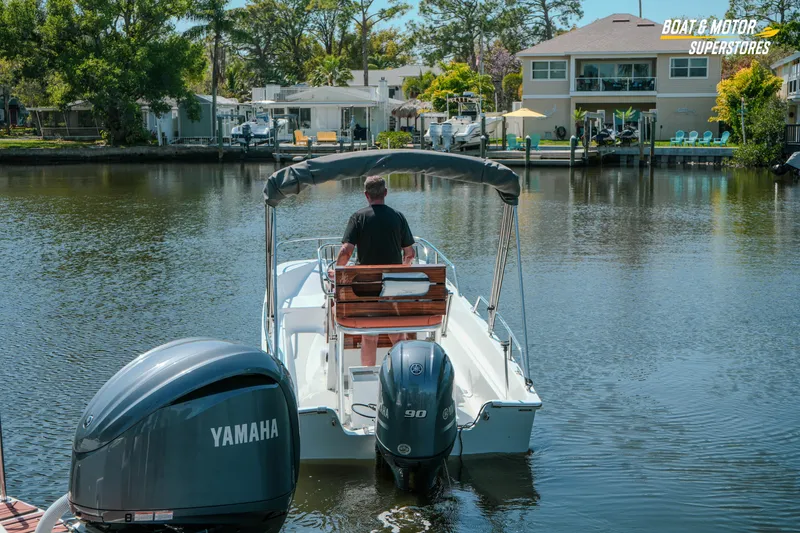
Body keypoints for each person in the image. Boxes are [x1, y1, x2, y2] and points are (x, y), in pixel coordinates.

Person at [330, 175, 415, 366]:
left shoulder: (358, 217)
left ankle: (369, 378)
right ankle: (402, 372)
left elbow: (346, 251)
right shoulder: (398, 217)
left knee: (369, 336)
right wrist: (402, 270)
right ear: (385, 193)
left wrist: (338, 271)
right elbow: (409, 253)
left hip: (367, 288)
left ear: (366, 195)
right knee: (399, 336)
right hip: (393, 287)